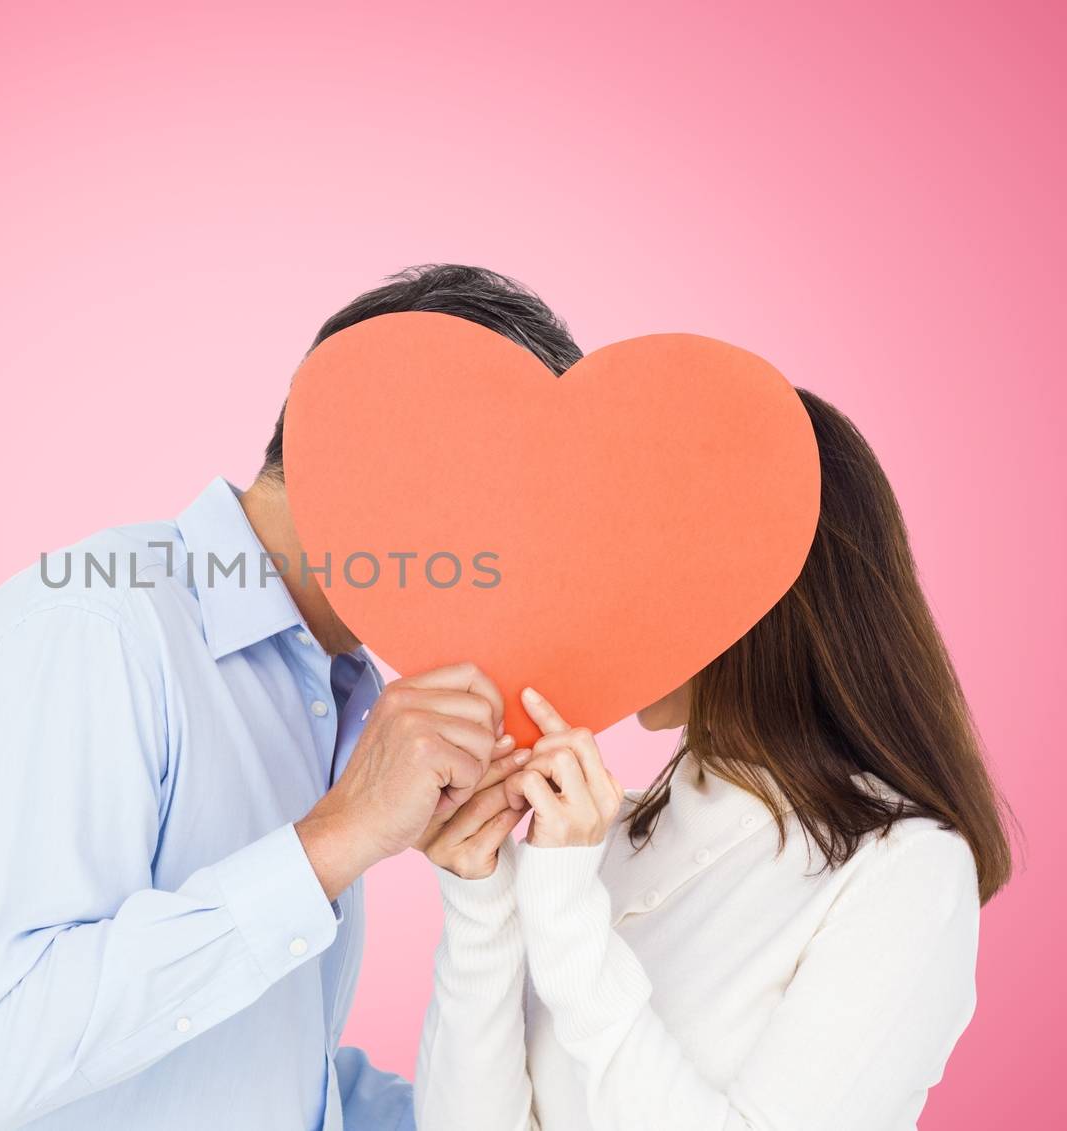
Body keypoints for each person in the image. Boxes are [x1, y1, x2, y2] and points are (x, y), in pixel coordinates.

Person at [0, 266, 584, 1130]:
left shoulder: (335, 689)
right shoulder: (92, 628)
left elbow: (255, 1071)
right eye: (515, 509)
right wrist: (335, 838)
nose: (519, 567)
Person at [414, 390, 1014, 1130]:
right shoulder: (602, 838)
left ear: (750, 594)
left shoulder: (907, 869)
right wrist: (483, 901)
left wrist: (568, 916)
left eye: (633, 557)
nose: (596, 596)